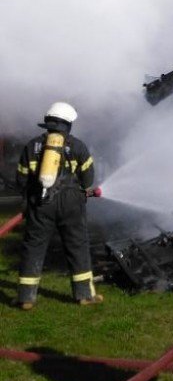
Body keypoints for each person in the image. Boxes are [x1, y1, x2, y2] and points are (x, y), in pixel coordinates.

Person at [15, 102, 102, 310]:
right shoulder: (78, 146)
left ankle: (26, 298)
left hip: (41, 202)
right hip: (71, 202)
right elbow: (87, 180)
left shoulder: (31, 146)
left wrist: (33, 195)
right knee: (77, 246)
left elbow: (21, 179)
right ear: (68, 124)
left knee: (34, 247)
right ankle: (84, 295)